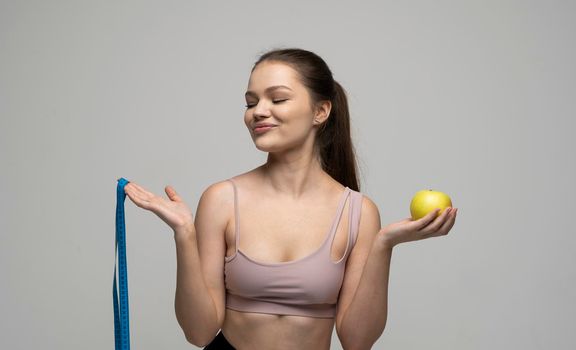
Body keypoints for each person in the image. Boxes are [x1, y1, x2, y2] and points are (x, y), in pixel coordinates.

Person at [122, 47, 458, 350]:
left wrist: (384, 245)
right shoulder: (221, 199)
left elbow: (357, 341)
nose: (258, 112)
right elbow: (198, 333)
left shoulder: (358, 212)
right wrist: (185, 234)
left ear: (320, 111)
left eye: (277, 99)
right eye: (251, 102)